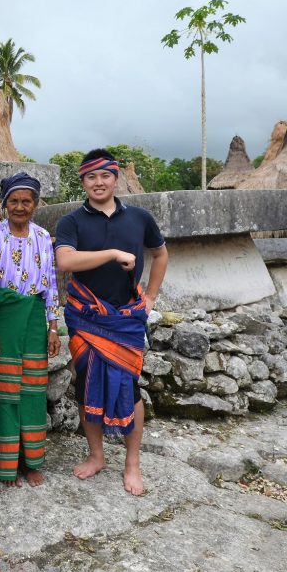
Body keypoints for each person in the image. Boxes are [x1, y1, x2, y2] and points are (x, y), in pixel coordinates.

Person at [54, 148, 168, 496]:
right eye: (91, 177)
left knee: (131, 388)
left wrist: (150, 296)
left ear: (116, 178)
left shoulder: (140, 218)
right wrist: (113, 254)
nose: (99, 182)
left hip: (126, 320)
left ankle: (132, 463)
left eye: (105, 176)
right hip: (85, 318)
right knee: (87, 381)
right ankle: (96, 455)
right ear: (83, 181)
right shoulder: (71, 222)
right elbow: (65, 261)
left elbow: (160, 253)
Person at [0, 172, 60, 487]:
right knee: (4, 393)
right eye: (14, 201)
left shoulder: (43, 237)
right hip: (2, 320)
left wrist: (53, 327)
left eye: (27, 201)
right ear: (4, 204)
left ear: (36, 204)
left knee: (32, 393)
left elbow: (51, 284)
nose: (20, 207)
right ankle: (4, 465)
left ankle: (31, 463)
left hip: (35, 321)